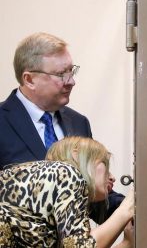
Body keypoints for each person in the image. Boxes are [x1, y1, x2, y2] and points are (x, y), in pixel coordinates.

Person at [0, 32, 124, 223]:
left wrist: (132, 209)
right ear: (29, 79)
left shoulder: (79, 122)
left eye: (71, 71)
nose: (71, 81)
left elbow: (91, 199)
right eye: (61, 74)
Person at [0, 136, 134, 248]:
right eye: (105, 164)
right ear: (77, 155)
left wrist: (127, 243)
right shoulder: (66, 172)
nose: (112, 177)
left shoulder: (45, 183)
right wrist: (126, 207)